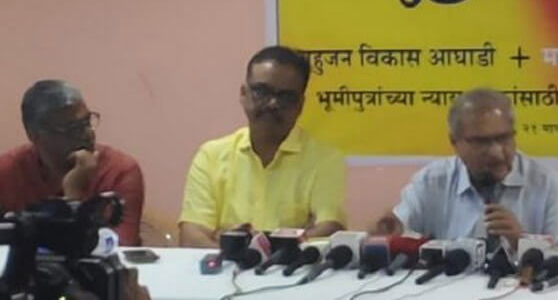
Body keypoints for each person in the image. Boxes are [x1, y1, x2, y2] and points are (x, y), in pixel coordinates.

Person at [373, 88, 558, 253]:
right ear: (455, 142)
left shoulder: (548, 185)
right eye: (482, 142)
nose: (497, 152)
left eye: (504, 138)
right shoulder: (432, 181)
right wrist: (389, 233)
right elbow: (398, 232)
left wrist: (523, 243)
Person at [178, 45, 346, 247]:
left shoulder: (323, 159)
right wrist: (290, 240)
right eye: (262, 91)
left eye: (286, 97)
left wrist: (239, 246)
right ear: (243, 94)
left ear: (300, 105)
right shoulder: (211, 155)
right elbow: (191, 236)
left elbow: (328, 229)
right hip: (226, 267)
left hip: (287, 267)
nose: (273, 103)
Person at [0, 80, 145, 246]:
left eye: (87, 122)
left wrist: (73, 195)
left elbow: (120, 248)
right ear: (35, 136)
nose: (87, 134)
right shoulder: (7, 171)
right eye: (72, 128)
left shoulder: (119, 171)